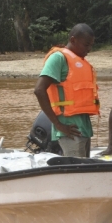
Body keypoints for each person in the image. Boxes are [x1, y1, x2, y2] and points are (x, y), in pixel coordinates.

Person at [33, 23, 99, 158]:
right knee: (75, 173)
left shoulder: (80, 61)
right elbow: (39, 90)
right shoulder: (58, 58)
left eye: (91, 45)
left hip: (83, 128)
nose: (89, 49)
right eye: (86, 45)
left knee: (84, 171)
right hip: (69, 130)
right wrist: (58, 124)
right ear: (73, 40)